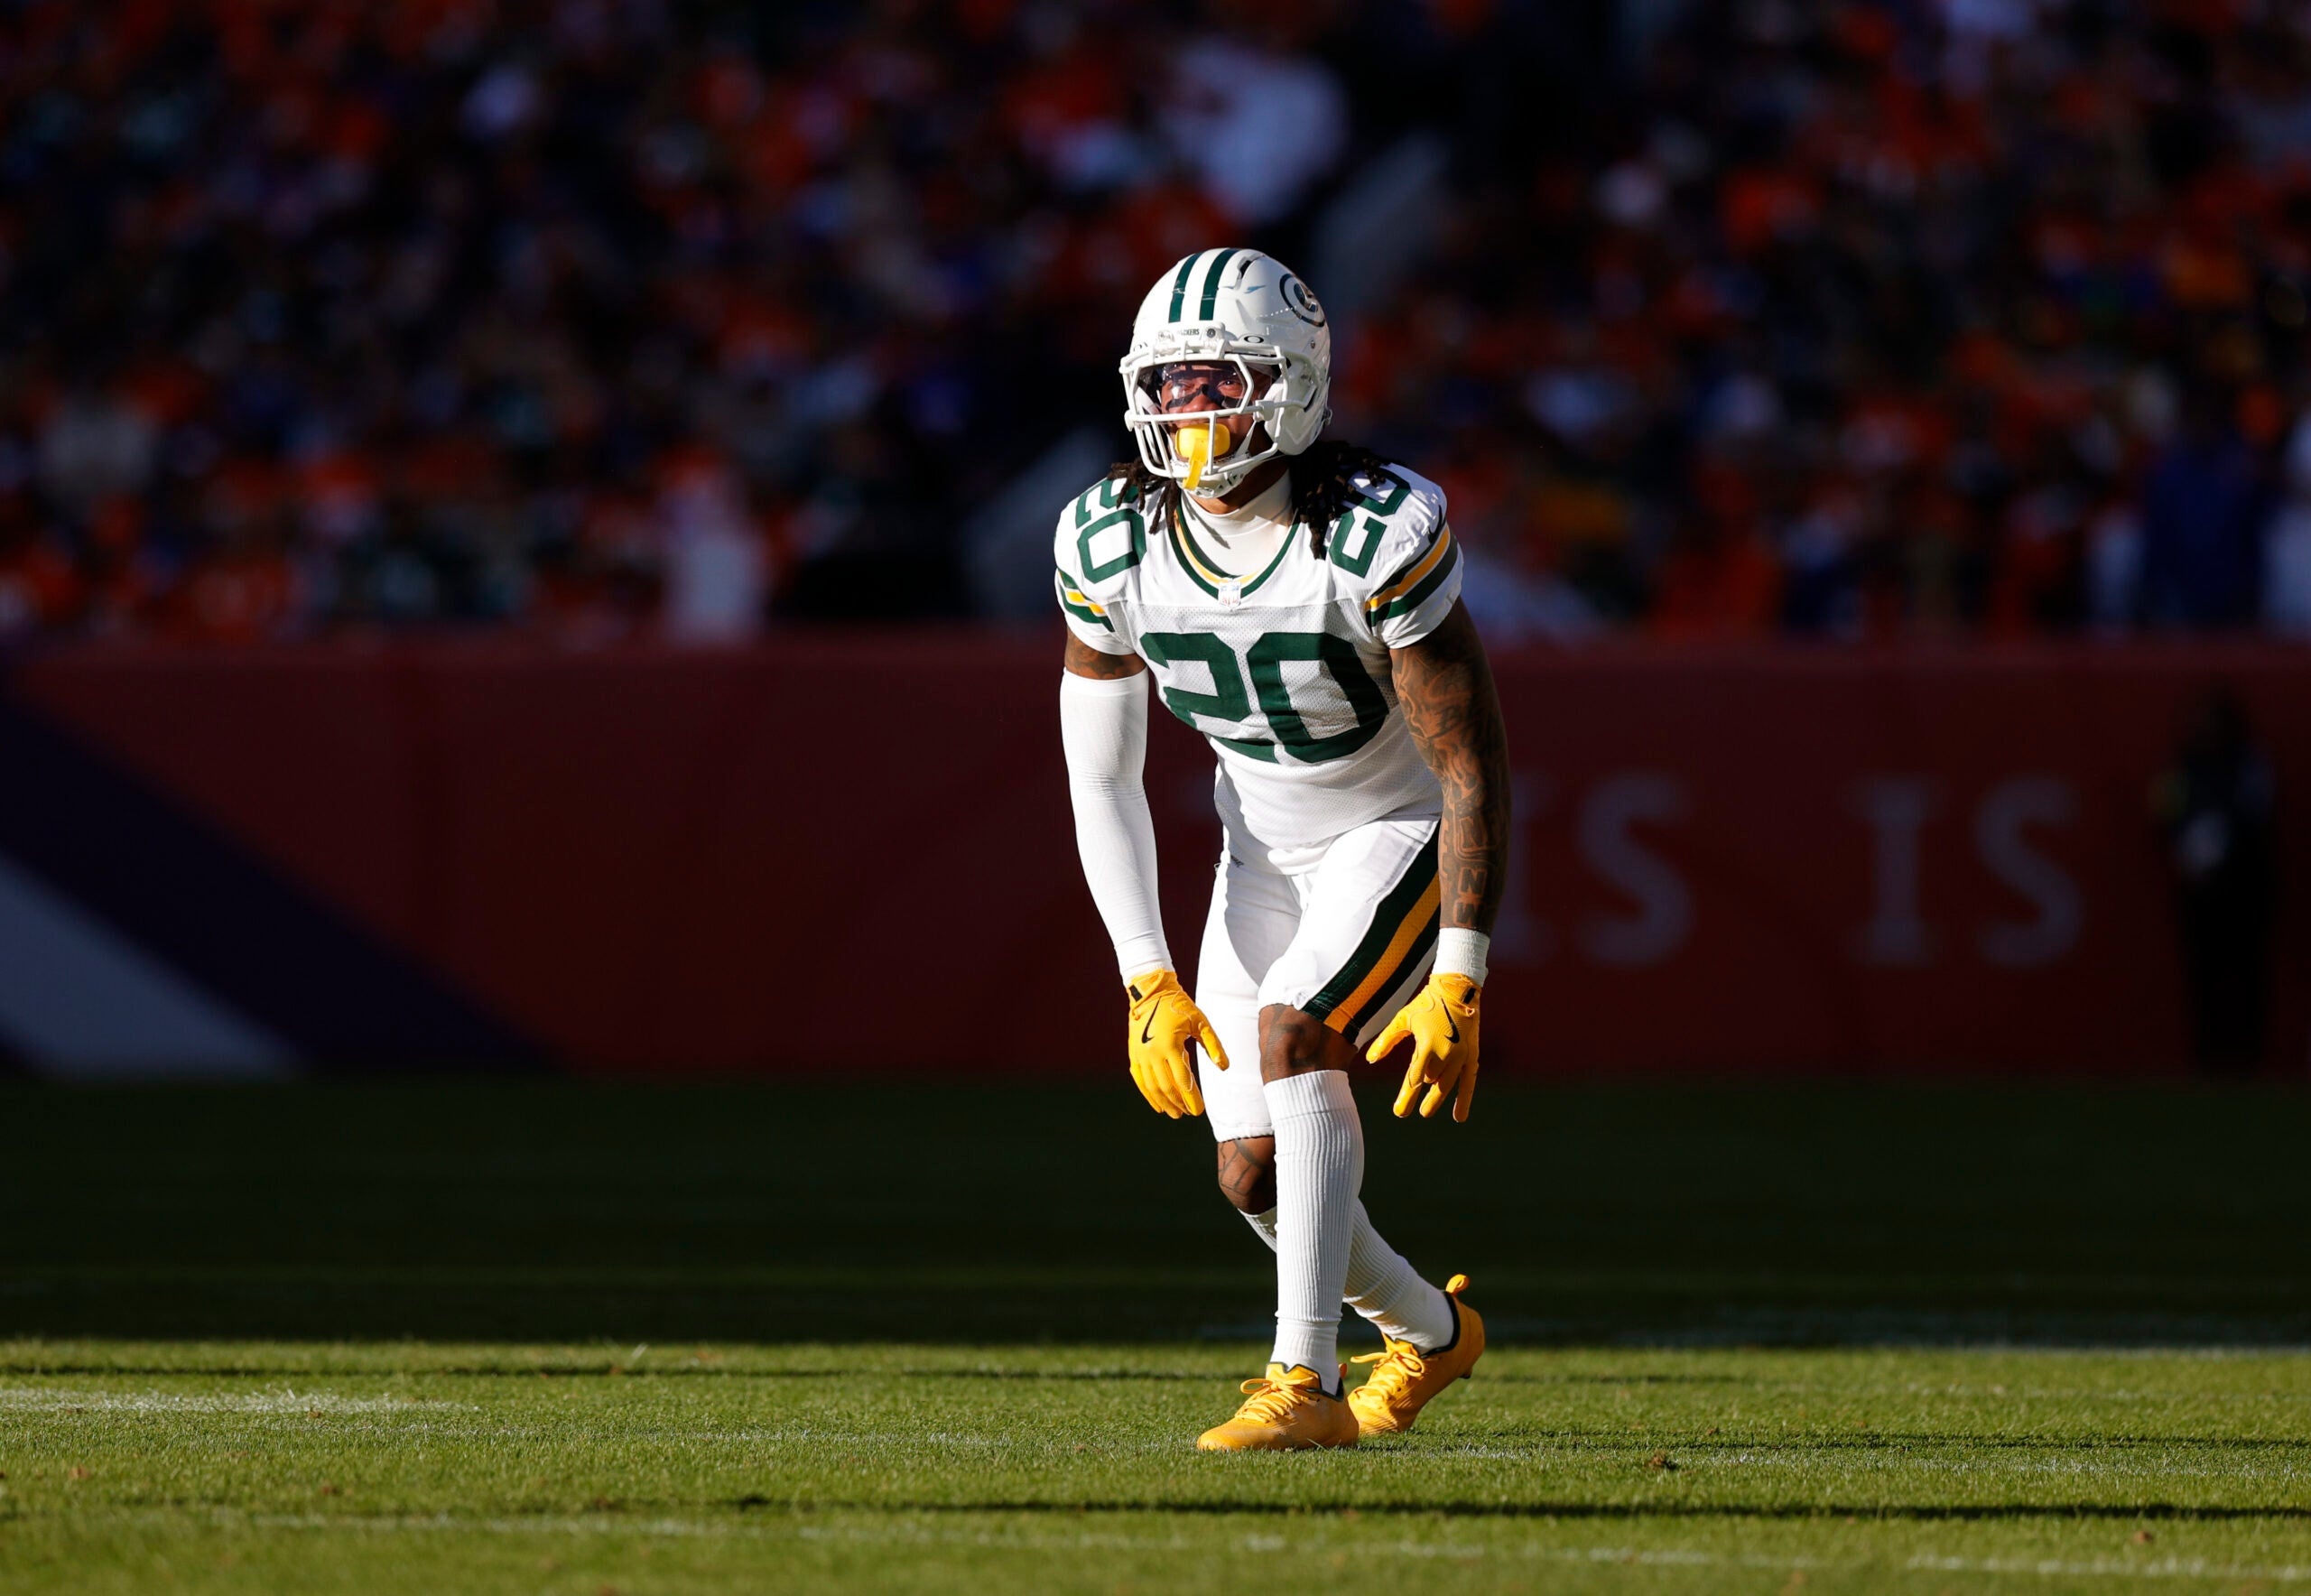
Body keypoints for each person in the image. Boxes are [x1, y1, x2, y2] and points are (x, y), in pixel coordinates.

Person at [1053, 249, 1512, 1451]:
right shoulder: (1109, 543)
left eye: (1221, 384)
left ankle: (1299, 1386)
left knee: (1296, 1029)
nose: (1191, 414)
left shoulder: (1374, 531)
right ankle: (1428, 1334)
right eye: (1172, 386)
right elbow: (1100, 771)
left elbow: (1470, 762)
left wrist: (1459, 970)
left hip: (1390, 825)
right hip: (1256, 856)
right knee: (1255, 1175)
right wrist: (1144, 974)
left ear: (1294, 388)